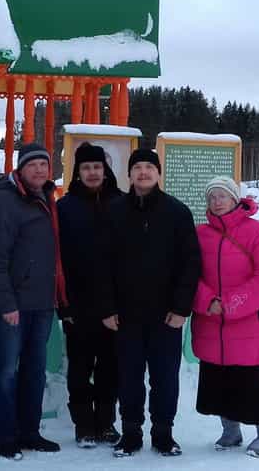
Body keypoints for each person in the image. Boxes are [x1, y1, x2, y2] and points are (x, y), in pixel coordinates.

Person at [97, 148, 201, 458]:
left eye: (149, 167)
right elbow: (101, 264)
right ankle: (130, 433)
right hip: (126, 314)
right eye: (138, 167)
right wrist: (107, 308)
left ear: (158, 173)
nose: (143, 172)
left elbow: (190, 264)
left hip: (166, 314)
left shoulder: (177, 212)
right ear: (129, 175)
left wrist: (181, 308)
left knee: (165, 377)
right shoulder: (113, 211)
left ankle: (163, 433)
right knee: (128, 376)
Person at [0, 143, 67, 460]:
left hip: (43, 303)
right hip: (14, 305)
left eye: (44, 164)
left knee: (35, 370)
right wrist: (5, 303)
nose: (39, 170)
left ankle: (30, 431)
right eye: (33, 165)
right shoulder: (5, 201)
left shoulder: (48, 198)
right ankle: (7, 437)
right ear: (20, 169)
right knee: (7, 371)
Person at [191, 176, 259, 457]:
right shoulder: (200, 234)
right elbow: (188, 274)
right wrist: (208, 301)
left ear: (234, 199)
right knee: (217, 381)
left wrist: (230, 303)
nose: (217, 202)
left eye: (222, 196)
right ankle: (230, 431)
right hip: (210, 320)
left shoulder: (255, 231)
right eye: (212, 197)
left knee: (249, 382)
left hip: (247, 320)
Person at [57, 143, 122, 448]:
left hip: (114, 305)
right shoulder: (65, 207)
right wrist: (63, 304)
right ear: (78, 172)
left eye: (97, 166)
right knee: (80, 368)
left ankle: (106, 422)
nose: (92, 172)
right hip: (77, 304)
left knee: (110, 367)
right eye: (86, 167)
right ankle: (83, 424)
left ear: (105, 169)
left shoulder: (121, 203)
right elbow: (57, 259)